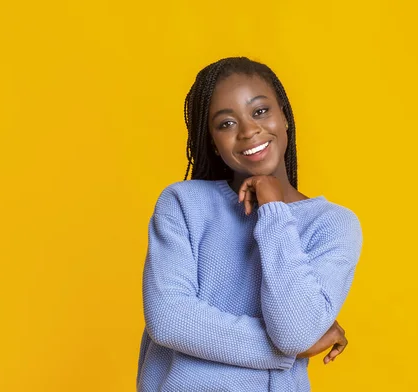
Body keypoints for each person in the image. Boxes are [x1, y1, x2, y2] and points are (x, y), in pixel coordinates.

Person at [136, 57, 363, 391]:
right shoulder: (182, 204)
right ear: (212, 141)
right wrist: (284, 353)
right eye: (226, 124)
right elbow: (169, 319)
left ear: (284, 115)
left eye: (260, 112)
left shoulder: (332, 225)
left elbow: (295, 331)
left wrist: (273, 210)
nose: (248, 131)